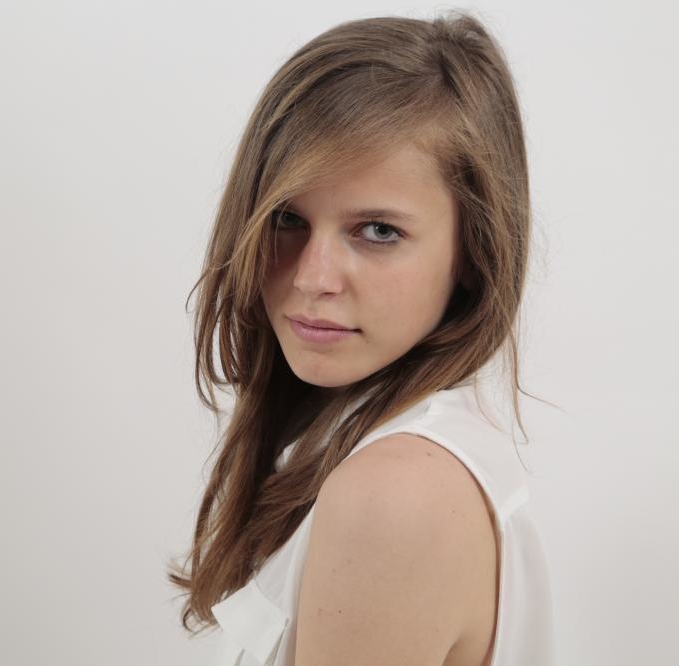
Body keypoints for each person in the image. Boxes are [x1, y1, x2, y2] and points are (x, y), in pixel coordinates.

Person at [168, 11, 555, 666]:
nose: (312, 278)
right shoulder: (392, 448)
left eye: (378, 231)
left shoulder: (395, 494)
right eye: (287, 218)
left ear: (474, 250)